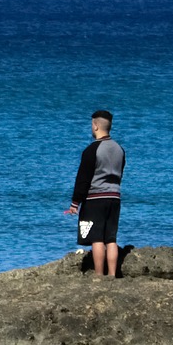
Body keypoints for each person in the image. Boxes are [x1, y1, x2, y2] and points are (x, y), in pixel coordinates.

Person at [65, 109, 126, 277]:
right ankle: (112, 275)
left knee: (96, 238)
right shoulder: (119, 149)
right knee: (111, 239)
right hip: (114, 197)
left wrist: (75, 203)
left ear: (96, 125)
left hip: (95, 199)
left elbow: (83, 178)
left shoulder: (92, 150)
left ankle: (99, 275)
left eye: (92, 125)